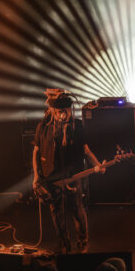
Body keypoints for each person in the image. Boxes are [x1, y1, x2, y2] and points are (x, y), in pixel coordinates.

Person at [31, 90, 103, 254]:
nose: (63, 116)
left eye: (66, 112)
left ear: (71, 110)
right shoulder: (43, 127)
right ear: (52, 111)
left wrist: (98, 165)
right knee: (57, 212)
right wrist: (36, 176)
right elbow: (36, 151)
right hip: (51, 178)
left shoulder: (77, 126)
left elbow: (86, 151)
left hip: (72, 176)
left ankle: (82, 242)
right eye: (59, 112)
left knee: (77, 209)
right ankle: (63, 243)